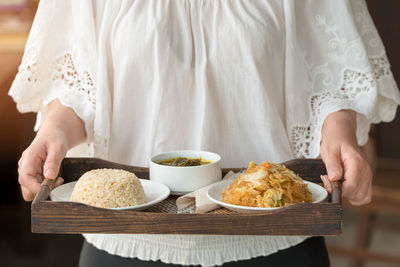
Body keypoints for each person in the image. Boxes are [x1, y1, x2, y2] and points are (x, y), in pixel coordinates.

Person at [9, 0, 400, 266]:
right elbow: (77, 88)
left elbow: (331, 79)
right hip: (125, 242)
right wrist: (54, 131)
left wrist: (341, 133)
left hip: (275, 240)